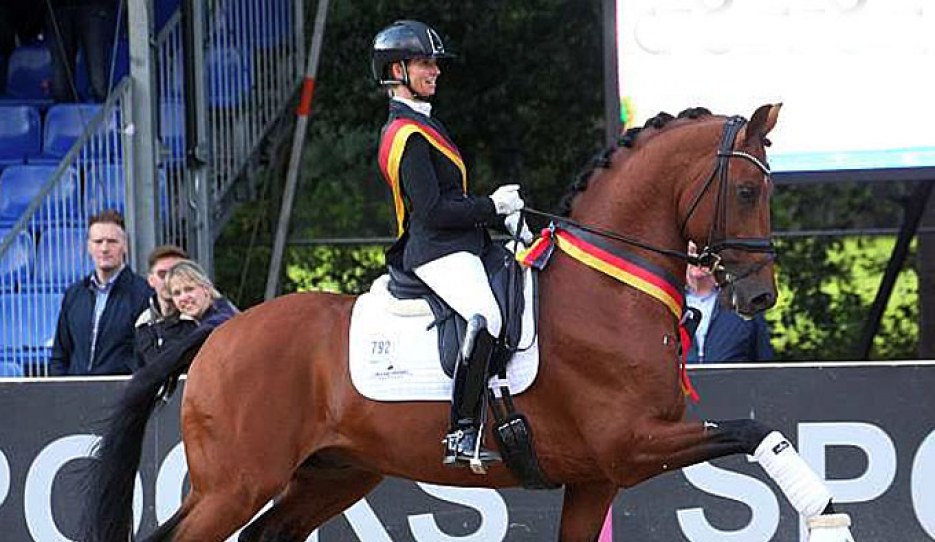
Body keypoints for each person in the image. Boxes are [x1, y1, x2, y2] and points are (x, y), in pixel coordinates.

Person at [372, 20, 528, 470]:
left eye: (434, 63)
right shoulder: (404, 134)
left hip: (462, 242)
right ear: (397, 70)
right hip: (435, 248)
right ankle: (461, 431)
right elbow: (433, 210)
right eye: (425, 63)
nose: (435, 71)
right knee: (487, 314)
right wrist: (491, 207)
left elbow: (452, 199)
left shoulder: (424, 122)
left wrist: (501, 215)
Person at [50, 210, 152, 376]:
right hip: (75, 390)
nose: (104, 248)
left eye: (112, 241)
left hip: (121, 390)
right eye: (98, 242)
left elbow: (144, 357)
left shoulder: (143, 294)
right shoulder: (74, 295)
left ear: (125, 246)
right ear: (89, 247)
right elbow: (60, 355)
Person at [685, 242, 774, 363]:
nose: (697, 258)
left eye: (703, 252)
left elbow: (764, 361)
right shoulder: (667, 304)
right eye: (692, 252)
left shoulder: (744, 304)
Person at [44, 0, 116, 102]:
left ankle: (106, 110)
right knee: (60, 88)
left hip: (93, 6)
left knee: (99, 84)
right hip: (58, 9)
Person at [134, 244, 188, 369]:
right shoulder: (143, 323)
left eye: (176, 273)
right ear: (150, 280)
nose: (169, 281)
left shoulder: (202, 320)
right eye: (162, 274)